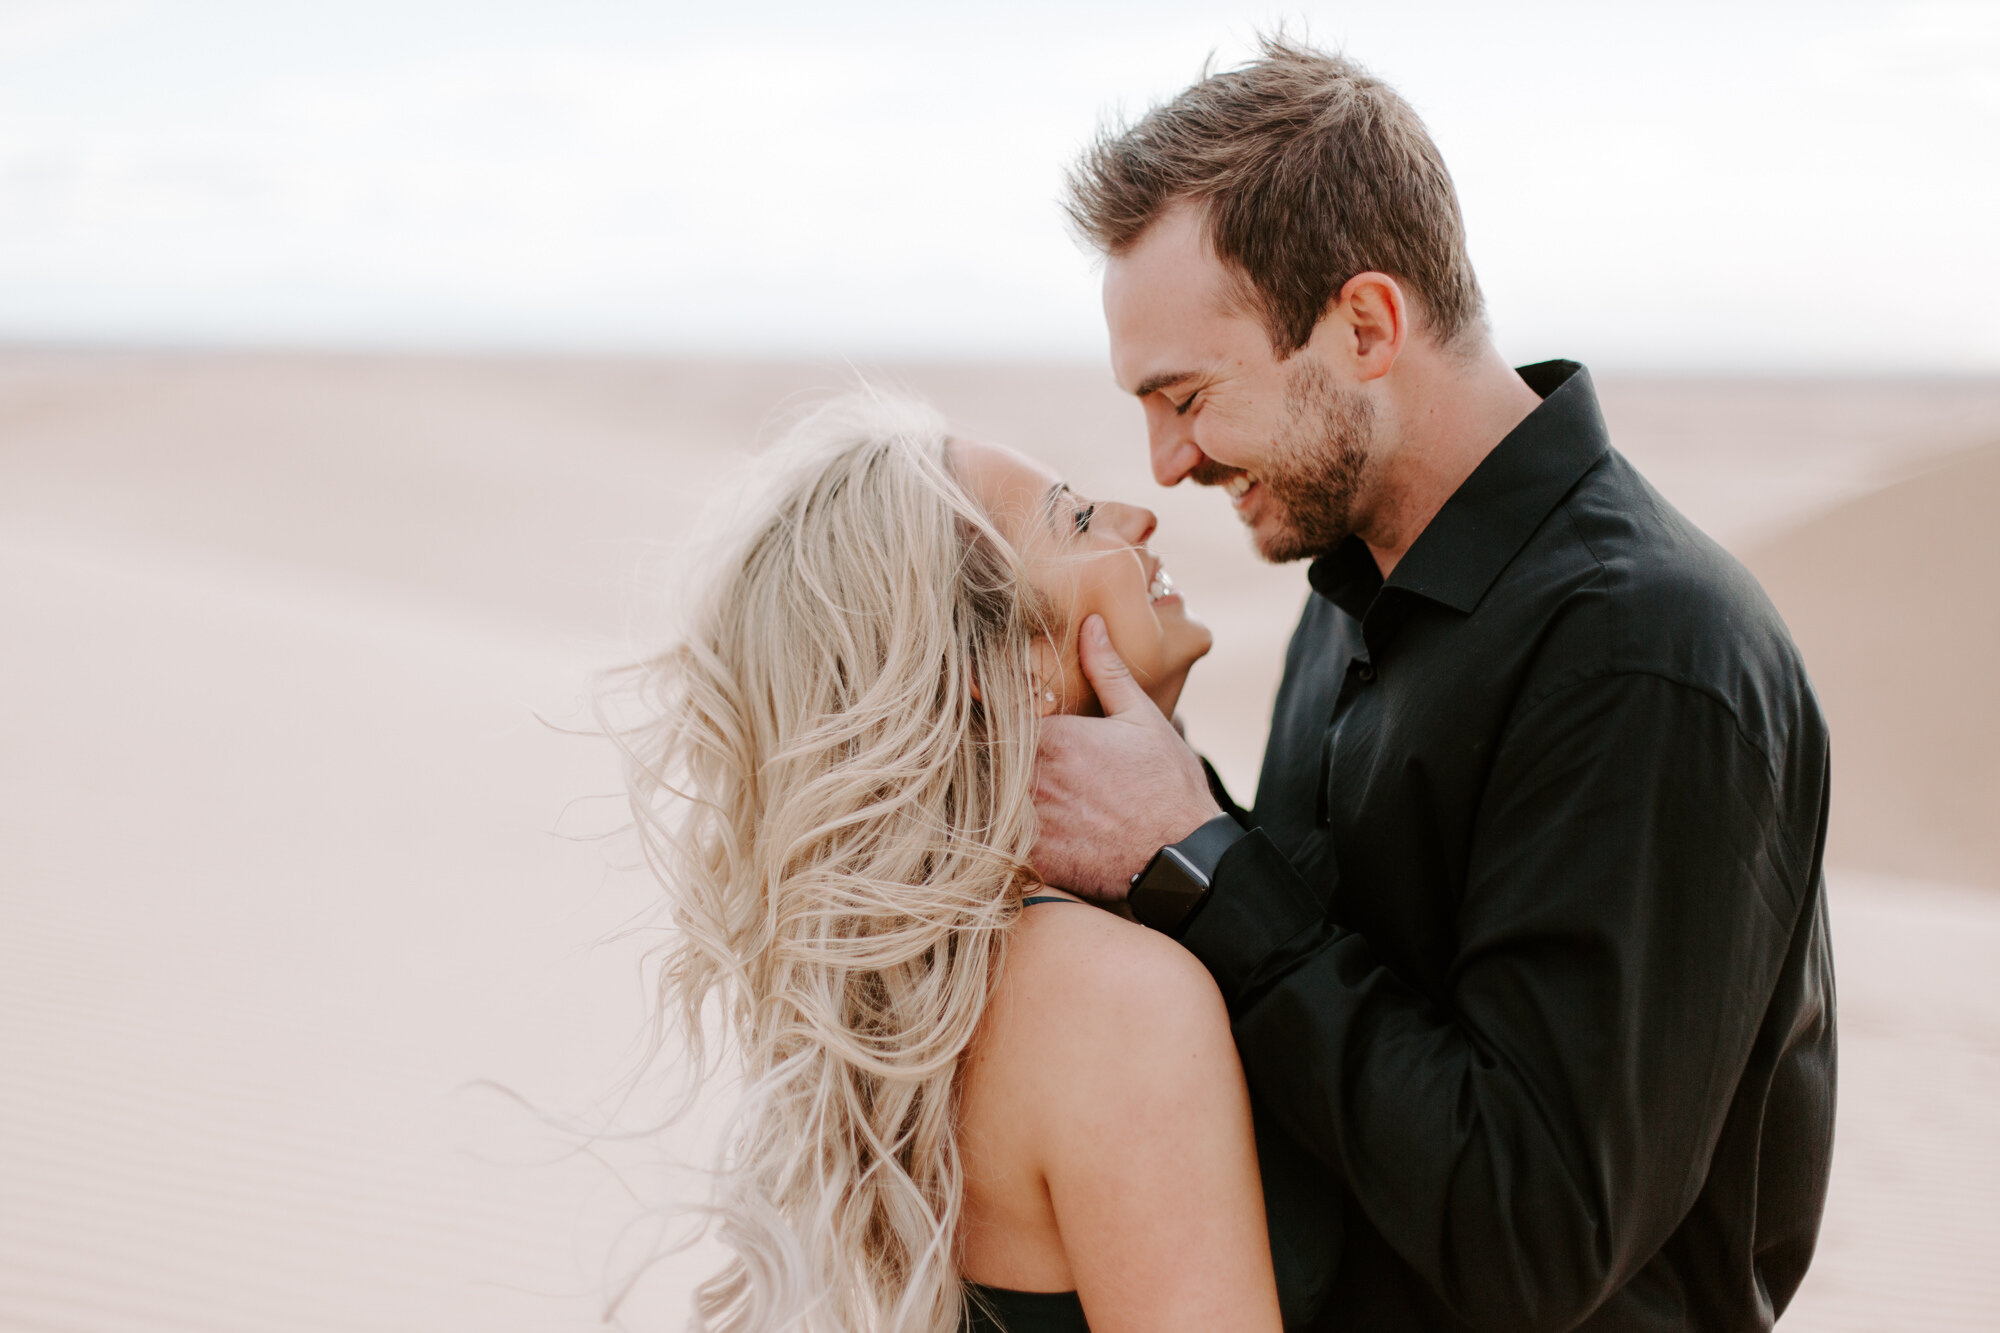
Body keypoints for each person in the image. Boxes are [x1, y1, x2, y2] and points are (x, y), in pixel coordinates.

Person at [1032, 35, 1837, 1332]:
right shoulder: (1355, 594)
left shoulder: (1644, 651)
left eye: (1186, 396)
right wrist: (1166, 814)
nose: (1167, 462)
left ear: (1364, 325)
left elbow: (1534, 1238)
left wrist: (1193, 852)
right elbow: (1336, 988)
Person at [602, 394, 1299, 1333]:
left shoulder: (927, 986)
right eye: (1080, 519)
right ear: (998, 668)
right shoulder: (1115, 1002)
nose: (1141, 517)